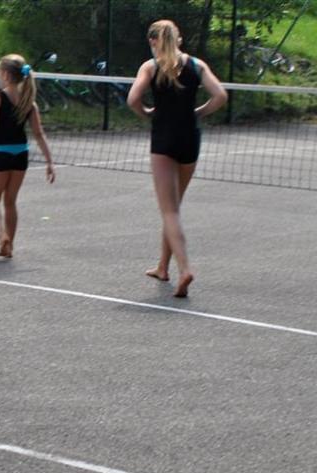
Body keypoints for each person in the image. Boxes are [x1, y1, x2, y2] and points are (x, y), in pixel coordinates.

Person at [127, 19, 227, 298]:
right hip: (190, 138)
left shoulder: (150, 67)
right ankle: (163, 267)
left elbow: (132, 99)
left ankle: (184, 269)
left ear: (153, 41)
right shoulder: (197, 65)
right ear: (178, 39)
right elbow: (220, 95)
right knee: (173, 208)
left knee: (169, 211)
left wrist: (147, 113)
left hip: (164, 139)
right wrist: (199, 112)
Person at [0, 53, 55, 258]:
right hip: (21, 155)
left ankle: (2, 236)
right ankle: (9, 247)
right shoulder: (29, 102)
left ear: (5, 75)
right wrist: (49, 162)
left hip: (1, 153)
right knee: (10, 202)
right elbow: (39, 134)